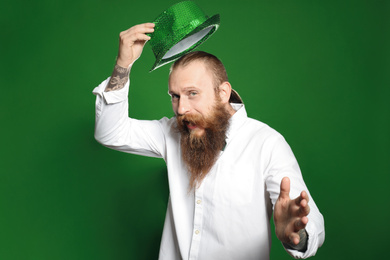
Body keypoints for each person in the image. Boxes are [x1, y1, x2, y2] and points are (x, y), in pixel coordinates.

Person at [93, 23, 325, 260]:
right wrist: (123, 65)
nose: (181, 108)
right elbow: (110, 132)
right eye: (175, 96)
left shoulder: (267, 144)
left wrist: (295, 234)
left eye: (192, 93)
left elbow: (313, 225)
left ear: (223, 93)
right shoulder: (172, 132)